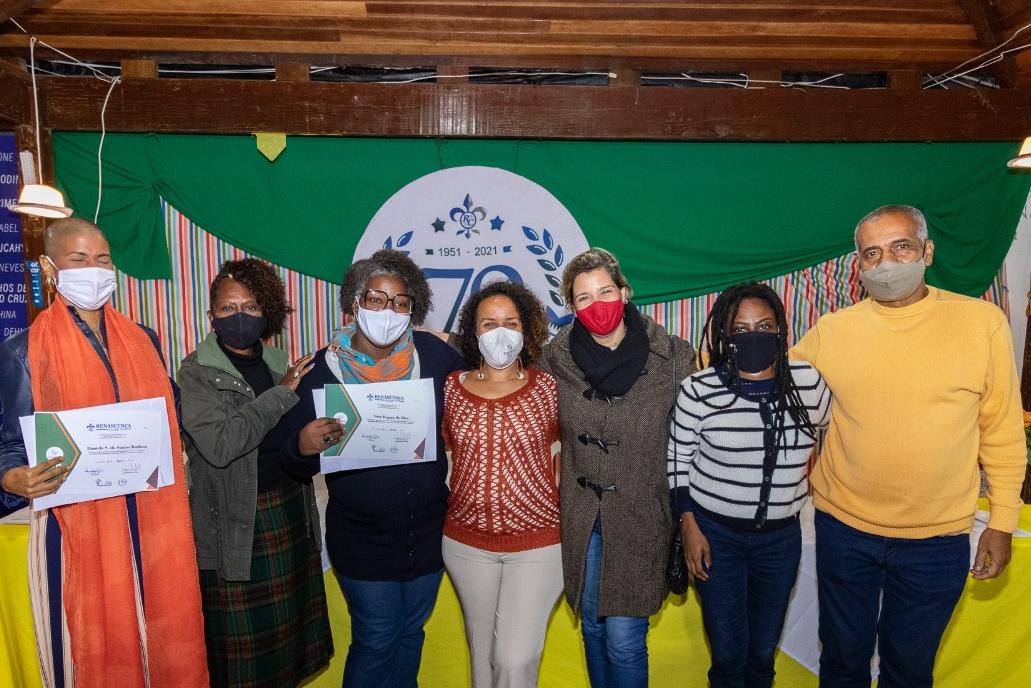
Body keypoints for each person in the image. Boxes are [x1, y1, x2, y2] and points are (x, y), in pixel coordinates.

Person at [791, 205, 1026, 687]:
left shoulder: (981, 323)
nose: (886, 263)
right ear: (858, 265)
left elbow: (1002, 430)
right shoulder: (833, 331)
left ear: (927, 252)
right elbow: (772, 391)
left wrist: (1002, 521)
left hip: (937, 538)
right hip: (844, 528)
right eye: (871, 253)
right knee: (841, 661)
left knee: (910, 670)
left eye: (901, 247)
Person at [0, 218, 208, 687]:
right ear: (50, 268)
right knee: (86, 644)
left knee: (160, 638)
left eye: (102, 260)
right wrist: (12, 477)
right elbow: (10, 444)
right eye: (78, 260)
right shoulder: (23, 351)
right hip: (72, 524)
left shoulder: (144, 340)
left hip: (150, 517)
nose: (93, 270)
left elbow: (169, 414)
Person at [280, 249, 464, 688]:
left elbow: (480, 389)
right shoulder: (317, 372)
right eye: (376, 300)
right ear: (354, 303)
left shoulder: (436, 357)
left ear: (413, 309)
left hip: (427, 533)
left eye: (400, 303)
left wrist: (454, 338)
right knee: (377, 637)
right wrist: (303, 446)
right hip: (361, 537)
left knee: (411, 632)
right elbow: (289, 461)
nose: (388, 311)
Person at [535, 247, 695, 688]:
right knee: (592, 627)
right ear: (571, 307)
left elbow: (694, 440)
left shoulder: (674, 357)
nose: (597, 304)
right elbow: (510, 389)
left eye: (605, 291)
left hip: (644, 517)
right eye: (584, 297)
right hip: (584, 520)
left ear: (625, 292)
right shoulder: (554, 360)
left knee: (624, 640)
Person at [178, 258, 333, 687]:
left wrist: (311, 439)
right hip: (235, 524)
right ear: (211, 316)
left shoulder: (280, 362)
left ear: (267, 312)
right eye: (227, 308)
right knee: (243, 663)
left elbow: (286, 440)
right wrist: (281, 395)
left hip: (289, 511)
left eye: (250, 306)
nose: (239, 316)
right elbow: (221, 446)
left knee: (288, 651)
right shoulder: (195, 372)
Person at [667, 282, 830, 688]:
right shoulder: (699, 390)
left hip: (780, 540)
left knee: (762, 651)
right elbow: (677, 462)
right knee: (727, 652)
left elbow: (841, 434)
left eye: (764, 326)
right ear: (724, 335)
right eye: (740, 329)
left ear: (781, 331)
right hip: (715, 536)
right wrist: (689, 528)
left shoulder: (808, 384)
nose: (753, 336)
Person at [442, 281, 562, 688]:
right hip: (466, 544)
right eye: (488, 323)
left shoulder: (547, 388)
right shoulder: (451, 389)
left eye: (511, 323)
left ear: (527, 329)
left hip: (538, 544)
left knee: (513, 659)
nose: (500, 333)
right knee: (482, 659)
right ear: (472, 331)